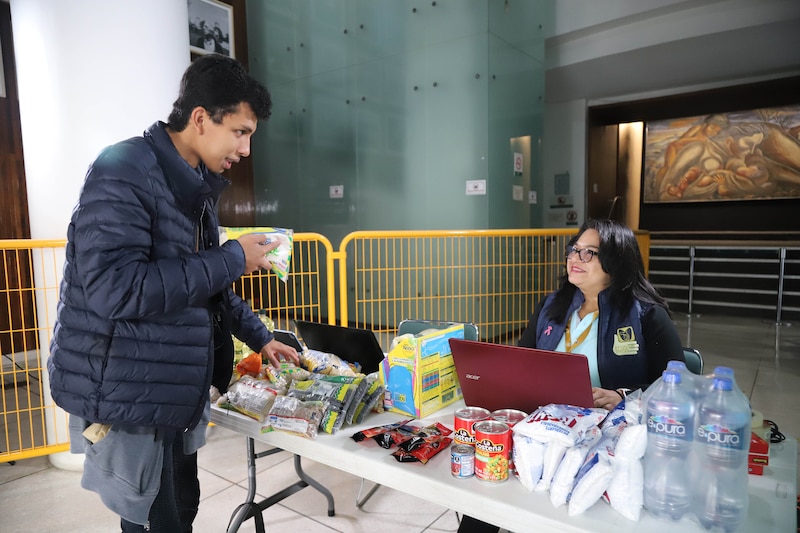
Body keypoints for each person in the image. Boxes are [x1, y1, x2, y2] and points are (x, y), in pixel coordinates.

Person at [47, 54, 300, 533]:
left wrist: (260, 336)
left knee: (181, 507)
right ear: (201, 119)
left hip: (171, 386)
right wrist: (231, 258)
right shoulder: (122, 170)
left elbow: (205, 285)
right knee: (154, 519)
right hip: (130, 388)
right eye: (241, 132)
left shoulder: (193, 184)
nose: (246, 150)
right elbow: (114, 290)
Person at [458, 218, 685, 533]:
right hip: (541, 425)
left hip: (601, 436)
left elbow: (678, 385)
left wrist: (622, 395)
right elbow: (522, 360)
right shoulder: (553, 306)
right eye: (574, 250)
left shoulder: (645, 314)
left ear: (616, 261)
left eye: (589, 253)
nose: (575, 259)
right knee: (484, 493)